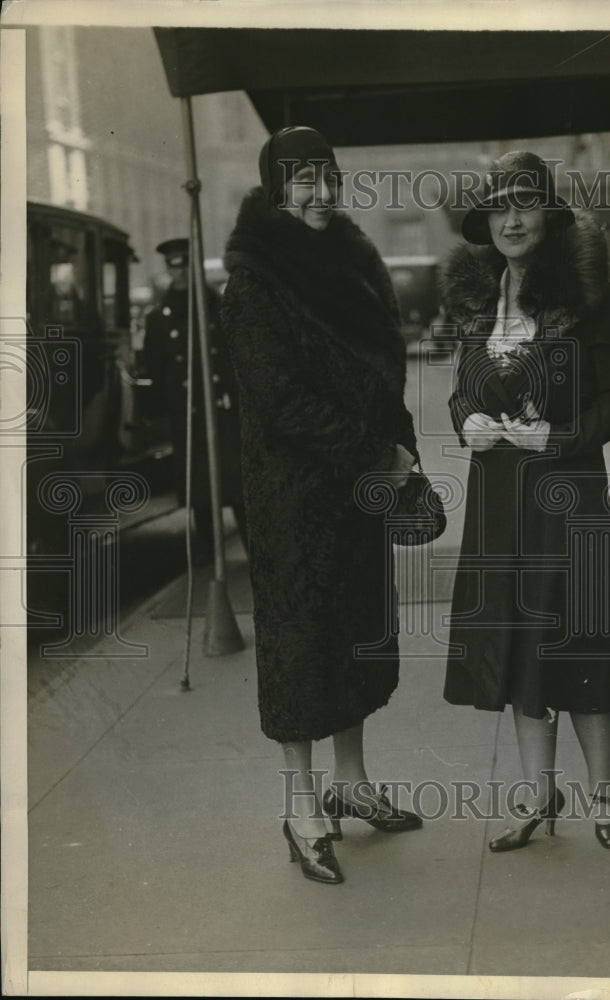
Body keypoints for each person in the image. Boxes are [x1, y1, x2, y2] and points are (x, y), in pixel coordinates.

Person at [443, 150, 610, 853]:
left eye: (524, 203)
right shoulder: (479, 302)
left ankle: (601, 792)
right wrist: (465, 423)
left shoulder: (589, 298)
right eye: (498, 207)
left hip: (568, 497)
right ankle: (540, 795)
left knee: (582, 639)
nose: (511, 219)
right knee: (516, 648)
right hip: (497, 502)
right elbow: (461, 390)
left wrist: (558, 436)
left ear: (548, 215)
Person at [221, 126, 422, 885]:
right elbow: (277, 403)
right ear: (276, 188)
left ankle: (353, 783)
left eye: (328, 177)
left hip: (356, 490)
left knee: (356, 633)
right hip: (292, 498)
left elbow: (384, 368)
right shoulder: (253, 279)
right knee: (302, 647)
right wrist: (375, 454)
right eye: (302, 179)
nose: (320, 193)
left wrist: (400, 455)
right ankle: (302, 806)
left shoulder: (353, 260)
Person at [141, 238, 247, 554]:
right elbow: (155, 368)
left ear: (195, 267)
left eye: (185, 266)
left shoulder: (220, 308)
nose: (180, 274)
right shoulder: (159, 318)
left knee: (239, 484)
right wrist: (157, 415)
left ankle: (256, 552)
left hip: (225, 408)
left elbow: (240, 356)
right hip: (188, 412)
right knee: (200, 487)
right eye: (173, 268)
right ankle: (209, 553)